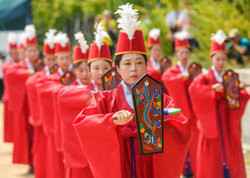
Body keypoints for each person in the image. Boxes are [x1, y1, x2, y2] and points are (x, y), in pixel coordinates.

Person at [73, 4, 192, 178]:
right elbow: (83, 123)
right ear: (118, 69)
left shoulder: (159, 98)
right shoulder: (105, 99)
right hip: (120, 165)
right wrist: (111, 120)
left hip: (150, 164)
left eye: (139, 62)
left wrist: (158, 121)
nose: (134, 69)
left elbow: (182, 125)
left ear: (146, 66)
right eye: (127, 64)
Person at [189, 30, 250, 178]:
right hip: (211, 121)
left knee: (230, 152)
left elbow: (237, 97)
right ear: (211, 59)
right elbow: (194, 90)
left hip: (227, 122)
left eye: (223, 59)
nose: (221, 62)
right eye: (218, 59)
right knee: (211, 155)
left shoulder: (230, 76)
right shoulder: (203, 77)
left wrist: (245, 92)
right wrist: (211, 89)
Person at [161, 30, 198, 177]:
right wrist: (182, 77)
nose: (184, 56)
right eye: (181, 53)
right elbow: (167, 78)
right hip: (181, 111)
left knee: (195, 140)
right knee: (182, 140)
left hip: (195, 111)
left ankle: (195, 168)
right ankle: (183, 169)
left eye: (186, 52)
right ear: (176, 54)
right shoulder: (172, 71)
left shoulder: (194, 69)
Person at [57, 31, 93, 178]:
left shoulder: (98, 87)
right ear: (74, 71)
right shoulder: (68, 89)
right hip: (76, 145)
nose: (85, 74)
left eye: (88, 70)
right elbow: (62, 96)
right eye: (80, 70)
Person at [36, 31, 72, 178]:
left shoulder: (77, 74)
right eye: (61, 58)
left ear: (71, 58)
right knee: (57, 161)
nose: (64, 61)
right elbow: (43, 89)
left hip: (71, 124)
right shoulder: (51, 78)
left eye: (67, 57)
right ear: (56, 60)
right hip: (57, 124)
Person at [5, 25, 39, 174]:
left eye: (34, 50)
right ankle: (30, 163)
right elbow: (10, 73)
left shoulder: (41, 65)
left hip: (38, 107)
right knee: (27, 134)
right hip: (26, 106)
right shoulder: (20, 66)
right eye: (29, 51)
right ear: (24, 53)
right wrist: (26, 73)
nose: (32, 53)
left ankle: (38, 162)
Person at [25, 29, 57, 178]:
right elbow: (32, 84)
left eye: (53, 58)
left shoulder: (65, 76)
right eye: (48, 59)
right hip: (43, 121)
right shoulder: (38, 76)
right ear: (44, 60)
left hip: (56, 122)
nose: (51, 62)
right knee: (43, 153)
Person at [2, 32, 19, 143]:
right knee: (10, 120)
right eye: (12, 53)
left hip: (17, 95)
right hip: (9, 95)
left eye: (15, 52)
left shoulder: (18, 64)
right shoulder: (6, 66)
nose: (14, 54)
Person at [87, 23, 112, 91]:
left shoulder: (117, 91)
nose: (101, 72)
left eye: (105, 68)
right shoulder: (84, 91)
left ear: (111, 69)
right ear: (89, 70)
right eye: (96, 68)